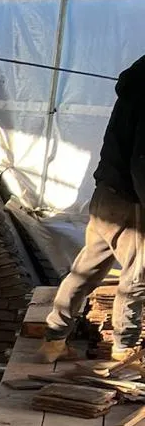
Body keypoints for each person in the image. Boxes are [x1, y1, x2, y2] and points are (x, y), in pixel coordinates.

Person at [44, 54, 144, 362]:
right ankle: (124, 352)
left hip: (106, 195)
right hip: (130, 202)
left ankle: (54, 340)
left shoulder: (135, 86)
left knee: (87, 268)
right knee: (137, 278)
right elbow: (142, 163)